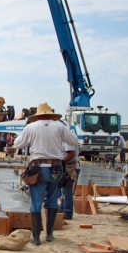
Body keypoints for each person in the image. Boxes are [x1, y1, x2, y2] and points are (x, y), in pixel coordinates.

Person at [5, 103, 78, 245]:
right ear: (51, 114)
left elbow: (18, 143)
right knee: (52, 200)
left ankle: (36, 237)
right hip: (56, 169)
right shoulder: (59, 126)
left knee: (36, 202)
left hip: (37, 169)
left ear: (38, 115)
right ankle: (49, 234)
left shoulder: (31, 127)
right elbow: (74, 141)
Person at [60, 143, 80, 220]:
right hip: (66, 166)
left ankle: (68, 212)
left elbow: (71, 154)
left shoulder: (68, 139)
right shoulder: (63, 138)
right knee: (63, 189)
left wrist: (60, 162)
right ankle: (62, 208)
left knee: (67, 190)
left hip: (71, 167)